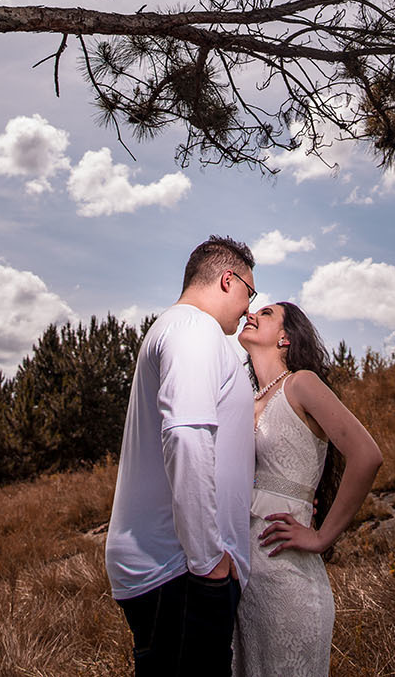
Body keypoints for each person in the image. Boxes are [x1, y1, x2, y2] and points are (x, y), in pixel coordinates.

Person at [106, 235, 257, 676]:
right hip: (181, 571)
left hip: (175, 569)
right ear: (229, 280)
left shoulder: (177, 328)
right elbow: (187, 436)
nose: (249, 308)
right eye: (251, 292)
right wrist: (210, 560)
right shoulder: (194, 329)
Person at [234, 301, 382, 677]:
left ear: (285, 337)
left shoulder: (302, 384)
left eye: (265, 313)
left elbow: (366, 455)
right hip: (242, 580)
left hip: (289, 580)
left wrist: (321, 537)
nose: (251, 314)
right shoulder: (243, 402)